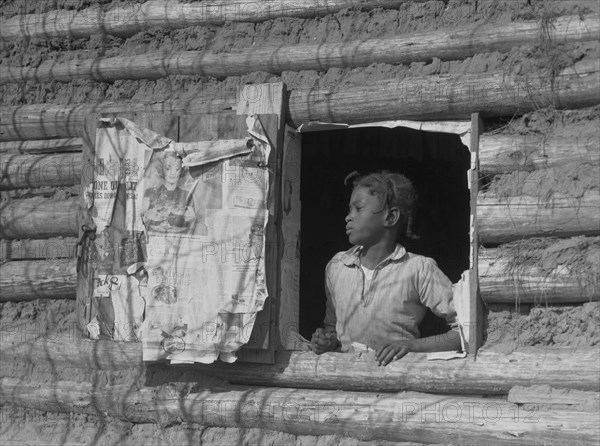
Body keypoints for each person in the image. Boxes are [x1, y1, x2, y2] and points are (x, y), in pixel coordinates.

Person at [311, 171, 462, 366]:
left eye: (358, 209)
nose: (348, 217)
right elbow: (332, 326)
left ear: (390, 217)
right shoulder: (337, 267)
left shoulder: (418, 269)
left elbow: (464, 332)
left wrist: (412, 345)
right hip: (345, 383)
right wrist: (326, 341)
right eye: (349, 210)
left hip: (395, 385)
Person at [142, 151, 206, 234]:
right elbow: (140, 221)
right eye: (168, 168)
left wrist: (192, 219)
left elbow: (192, 225)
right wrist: (147, 215)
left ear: (181, 170)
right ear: (161, 169)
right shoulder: (149, 192)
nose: (172, 173)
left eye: (177, 169)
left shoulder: (186, 195)